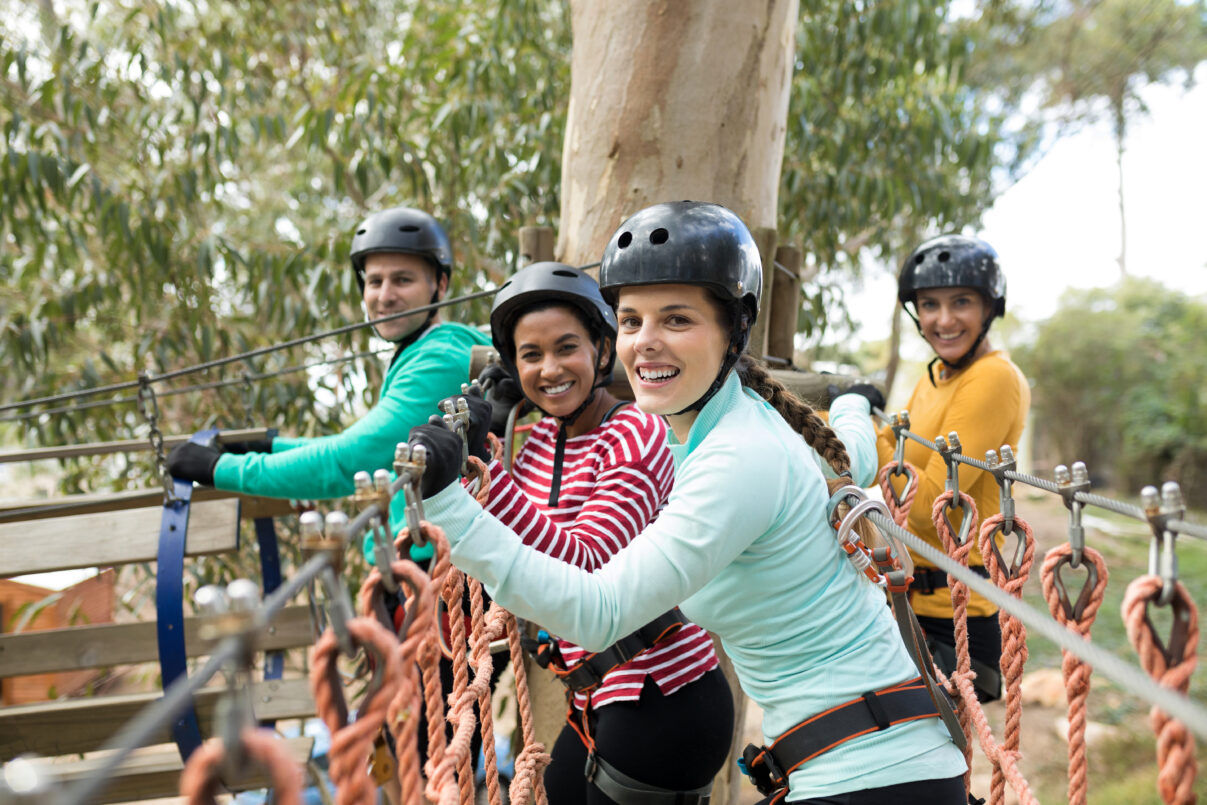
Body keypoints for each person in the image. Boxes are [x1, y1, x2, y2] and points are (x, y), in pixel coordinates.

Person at [409, 201, 967, 804]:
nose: (645, 344)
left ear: (733, 330)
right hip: (876, 755)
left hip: (872, 774)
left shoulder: (737, 457)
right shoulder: (750, 426)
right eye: (631, 321)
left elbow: (597, 610)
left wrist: (450, 502)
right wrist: (854, 403)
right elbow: (849, 453)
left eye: (676, 319)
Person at [464, 261, 732, 803]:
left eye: (567, 348)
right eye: (530, 355)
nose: (550, 368)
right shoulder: (537, 445)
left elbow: (587, 562)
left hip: (665, 695)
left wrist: (489, 482)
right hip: (596, 697)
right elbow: (502, 560)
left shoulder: (637, 432)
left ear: (602, 352)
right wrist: (482, 452)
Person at [166, 205, 490, 546]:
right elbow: (364, 444)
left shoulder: (438, 360)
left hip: (438, 573)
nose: (384, 295)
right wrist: (271, 447)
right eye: (375, 281)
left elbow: (349, 461)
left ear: (439, 284)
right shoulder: (431, 347)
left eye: (402, 280)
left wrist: (220, 469)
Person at [876, 234, 1030, 702]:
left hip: (958, 617)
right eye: (929, 304)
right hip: (906, 598)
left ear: (989, 307)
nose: (944, 320)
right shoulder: (936, 376)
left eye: (960, 302)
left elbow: (929, 510)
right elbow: (896, 460)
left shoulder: (994, 378)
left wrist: (864, 435)